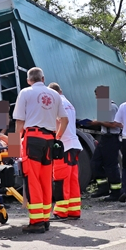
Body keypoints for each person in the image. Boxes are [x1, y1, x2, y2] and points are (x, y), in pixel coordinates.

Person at [12, 67, 68, 233]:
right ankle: (45, 219)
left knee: (33, 179)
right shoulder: (55, 95)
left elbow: (19, 123)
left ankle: (36, 222)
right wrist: (57, 137)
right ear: (43, 79)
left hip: (32, 139)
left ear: (28, 80)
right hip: (49, 140)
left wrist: (14, 148)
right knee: (45, 179)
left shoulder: (25, 93)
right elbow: (64, 120)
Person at [47, 83, 82, 220]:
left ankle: (61, 212)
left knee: (61, 179)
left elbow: (63, 121)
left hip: (64, 146)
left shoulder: (57, 103)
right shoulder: (69, 104)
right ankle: (74, 211)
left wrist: (57, 138)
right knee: (72, 180)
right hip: (74, 145)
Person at [87, 86, 123, 201]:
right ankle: (103, 188)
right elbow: (104, 123)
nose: (96, 98)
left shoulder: (111, 107)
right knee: (95, 163)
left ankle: (116, 192)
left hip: (112, 139)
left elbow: (114, 125)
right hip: (104, 138)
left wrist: (97, 122)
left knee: (111, 166)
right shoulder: (103, 106)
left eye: (97, 95)